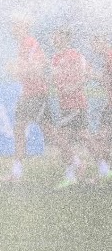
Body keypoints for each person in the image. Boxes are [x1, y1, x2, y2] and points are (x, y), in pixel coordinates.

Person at [2, 20, 59, 183]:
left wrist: (16, 69)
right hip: (27, 94)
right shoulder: (22, 45)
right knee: (19, 130)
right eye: (12, 26)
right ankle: (17, 172)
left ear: (24, 28)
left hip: (37, 94)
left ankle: (76, 162)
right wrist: (16, 70)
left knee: (50, 133)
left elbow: (38, 67)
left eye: (15, 26)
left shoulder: (31, 43)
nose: (12, 30)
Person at [50, 29, 92, 189]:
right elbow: (55, 79)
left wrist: (73, 87)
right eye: (54, 37)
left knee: (59, 137)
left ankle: (78, 165)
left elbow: (87, 75)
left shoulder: (75, 55)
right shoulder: (55, 58)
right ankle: (75, 174)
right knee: (81, 137)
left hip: (76, 104)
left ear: (66, 38)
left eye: (58, 36)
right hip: (65, 105)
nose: (54, 39)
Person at [91, 34, 112, 180]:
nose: (94, 48)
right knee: (103, 137)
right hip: (109, 104)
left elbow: (107, 80)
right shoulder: (108, 58)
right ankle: (104, 171)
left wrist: (93, 75)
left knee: (101, 137)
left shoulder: (109, 57)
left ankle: (104, 171)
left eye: (95, 44)